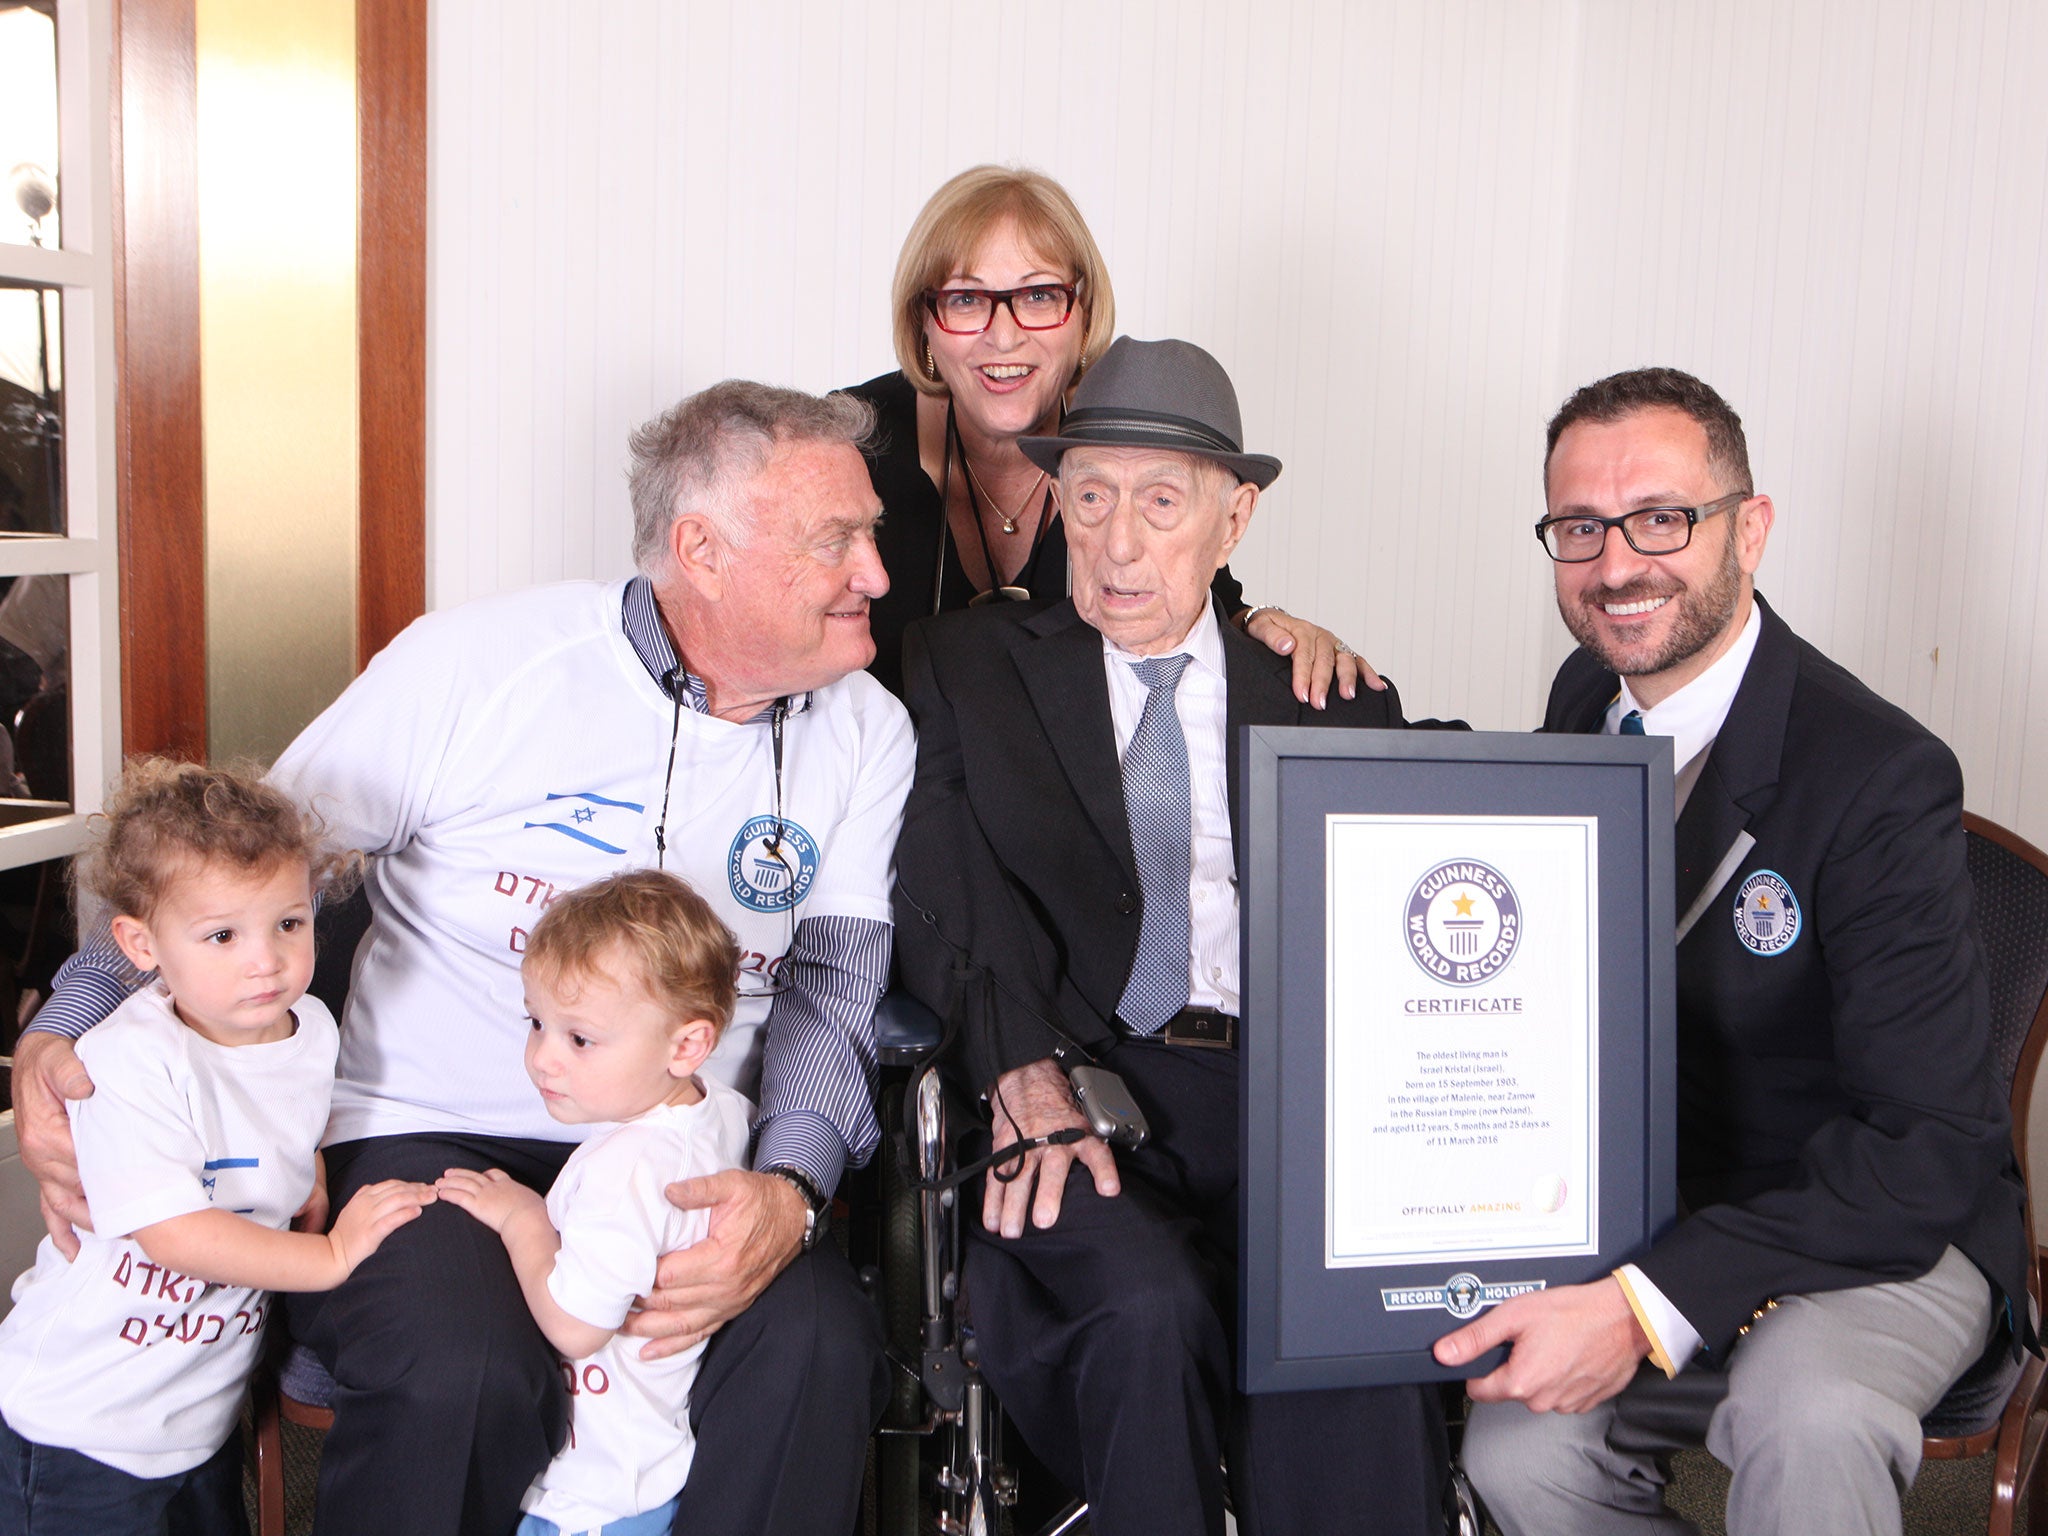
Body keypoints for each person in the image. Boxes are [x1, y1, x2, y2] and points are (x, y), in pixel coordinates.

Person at [10, 381, 914, 1536]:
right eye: (836, 541)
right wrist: (63, 1025)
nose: (876, 573)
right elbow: (222, 866)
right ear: (704, 550)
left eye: (870, 535)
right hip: (433, 1129)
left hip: (683, 1146)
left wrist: (788, 1192)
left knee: (817, 1344)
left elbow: (834, 992)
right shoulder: (479, 666)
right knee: (465, 1366)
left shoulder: (864, 729)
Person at [1442, 367, 2032, 1536]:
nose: (1616, 565)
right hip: (1668, 1209)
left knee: (1802, 1409)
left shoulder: (1877, 775)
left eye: (1661, 518)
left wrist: (1646, 1302)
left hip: (1875, 1226)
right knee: (1514, 1449)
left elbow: (1926, 1147)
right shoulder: (1585, 697)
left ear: (1746, 530)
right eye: (1578, 528)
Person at [893, 336, 1449, 1535]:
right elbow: (940, 894)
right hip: (1080, 1081)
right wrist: (1013, 1064)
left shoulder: (1324, 692)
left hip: (1280, 1095)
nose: (1118, 542)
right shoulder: (968, 668)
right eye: (1088, 499)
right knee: (1142, 1308)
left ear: (1232, 520)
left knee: (1334, 1312)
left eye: (1160, 503)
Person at [0, 760, 434, 1536]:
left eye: (288, 924)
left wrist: (307, 1171)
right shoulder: (127, 1060)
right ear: (140, 944)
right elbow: (174, 1235)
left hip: (194, 1411)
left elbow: (279, 1120)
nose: (265, 960)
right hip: (81, 1423)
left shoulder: (312, 1029)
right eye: (222, 935)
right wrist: (332, 1258)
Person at [846, 163, 1376, 706]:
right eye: (965, 299)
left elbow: (1191, 586)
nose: (1003, 338)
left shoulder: (1117, 437)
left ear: (1084, 314)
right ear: (923, 323)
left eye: (1039, 296)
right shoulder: (846, 445)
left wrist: (1263, 625)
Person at [437, 870, 753, 1536]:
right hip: (648, 1462)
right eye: (537, 1023)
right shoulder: (718, 1112)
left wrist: (523, 1219)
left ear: (686, 1044)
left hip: (590, 1495)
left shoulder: (627, 1172)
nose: (544, 1059)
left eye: (579, 1038)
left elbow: (577, 1327)